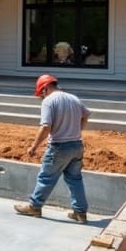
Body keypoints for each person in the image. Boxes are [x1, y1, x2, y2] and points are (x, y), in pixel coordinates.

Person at [14, 74, 91, 223]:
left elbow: (45, 127)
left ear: (45, 88)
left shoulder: (49, 101)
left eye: (41, 94)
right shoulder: (73, 98)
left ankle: (35, 207)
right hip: (76, 145)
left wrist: (34, 146)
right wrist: (77, 131)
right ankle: (80, 213)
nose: (41, 98)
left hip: (59, 147)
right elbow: (86, 115)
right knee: (75, 179)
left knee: (46, 177)